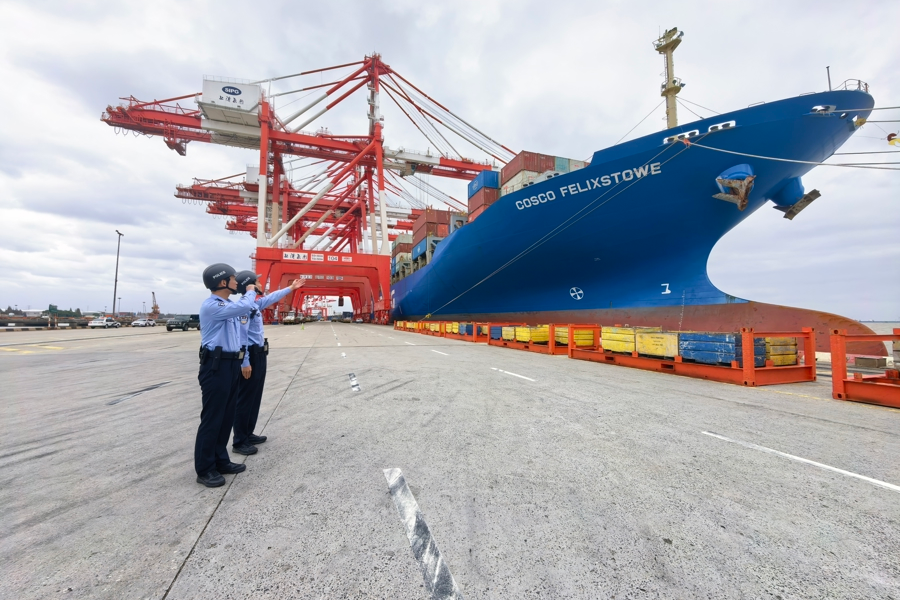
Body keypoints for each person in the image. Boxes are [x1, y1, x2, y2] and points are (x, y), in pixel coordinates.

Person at [195, 263, 259, 488]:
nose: (237, 282)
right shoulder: (212, 306)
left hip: (231, 364)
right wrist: (250, 292)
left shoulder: (228, 304)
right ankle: (205, 469)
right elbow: (243, 307)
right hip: (216, 366)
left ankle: (220, 460)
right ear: (222, 282)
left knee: (226, 417)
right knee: (213, 419)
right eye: (233, 279)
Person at [231, 272, 304, 455]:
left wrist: (291, 288)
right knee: (245, 398)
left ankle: (248, 433)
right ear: (251, 285)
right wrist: (245, 361)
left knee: (255, 397)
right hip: (251, 357)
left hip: (260, 354)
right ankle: (240, 441)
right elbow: (241, 336)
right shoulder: (244, 307)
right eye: (258, 281)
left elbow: (271, 297)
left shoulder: (254, 304)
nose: (261, 283)